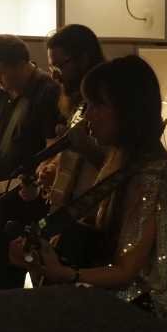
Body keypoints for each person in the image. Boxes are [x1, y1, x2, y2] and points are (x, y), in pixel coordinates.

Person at [8, 55, 167, 325]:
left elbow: (126, 272)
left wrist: (68, 275)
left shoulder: (154, 176)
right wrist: (41, 258)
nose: (88, 115)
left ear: (127, 110)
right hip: (110, 315)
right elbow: (95, 243)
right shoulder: (119, 162)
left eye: (96, 105)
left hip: (140, 325)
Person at [0, 34, 61, 291]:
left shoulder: (48, 92)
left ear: (21, 65)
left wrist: (42, 178)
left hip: (33, 208)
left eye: (1, 74)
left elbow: (55, 149)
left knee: (46, 287)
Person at [38, 24, 107, 209]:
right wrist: (53, 168)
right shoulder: (79, 103)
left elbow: (121, 164)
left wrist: (83, 145)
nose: (54, 76)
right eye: (52, 67)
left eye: (59, 66)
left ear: (84, 59)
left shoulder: (110, 103)